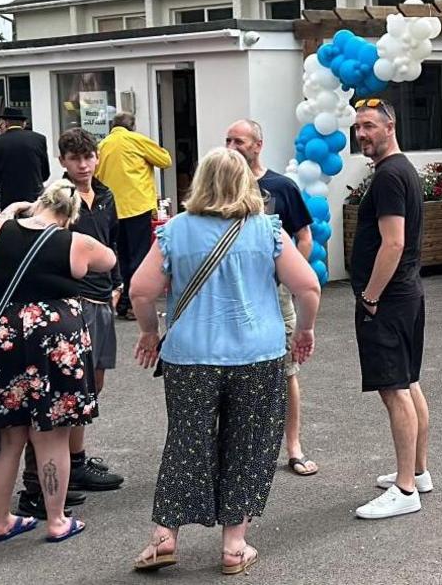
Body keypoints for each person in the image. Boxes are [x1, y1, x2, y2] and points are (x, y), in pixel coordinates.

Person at [130, 147, 319, 573]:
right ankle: (234, 546)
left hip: (189, 356)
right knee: (248, 446)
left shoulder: (175, 230)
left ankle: (163, 538)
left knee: (185, 441)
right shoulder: (268, 230)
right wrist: (304, 330)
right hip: (258, 354)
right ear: (246, 184)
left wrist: (148, 332)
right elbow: (308, 287)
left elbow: (140, 291)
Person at [13, 128, 123, 521]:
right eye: (74, 157)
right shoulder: (57, 199)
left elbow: (114, 242)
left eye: (88, 156)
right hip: (69, 302)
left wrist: (117, 284)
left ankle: (75, 461)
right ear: (62, 161)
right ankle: (54, 473)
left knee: (94, 384)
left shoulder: (107, 195)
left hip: (103, 297)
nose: (83, 164)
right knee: (63, 389)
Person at [347, 99, 431, 520]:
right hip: (406, 294)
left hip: (390, 299)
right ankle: (417, 472)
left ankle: (404, 489)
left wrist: (371, 296)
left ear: (390, 126)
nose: (362, 134)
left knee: (394, 389)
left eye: (369, 127)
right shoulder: (399, 171)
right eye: (357, 127)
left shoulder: (390, 177)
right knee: (409, 383)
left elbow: (393, 242)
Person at [225, 118, 318, 476]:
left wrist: (290, 279)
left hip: (275, 295)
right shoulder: (221, 188)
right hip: (233, 295)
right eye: (228, 140)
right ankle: (239, 449)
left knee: (286, 371)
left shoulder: (280, 186)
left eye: (240, 141)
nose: (232, 147)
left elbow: (304, 236)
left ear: (258, 145)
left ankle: (293, 446)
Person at [96, 112, 173, 319]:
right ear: (132, 126)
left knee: (119, 256)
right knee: (138, 256)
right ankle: (133, 303)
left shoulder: (102, 145)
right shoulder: (137, 140)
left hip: (112, 209)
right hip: (137, 206)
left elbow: (96, 175)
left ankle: (121, 301)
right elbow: (165, 160)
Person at [0, 106, 50, 207]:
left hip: (8, 197)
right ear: (23, 123)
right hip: (34, 196)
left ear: (6, 123)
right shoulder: (39, 139)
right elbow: (45, 172)